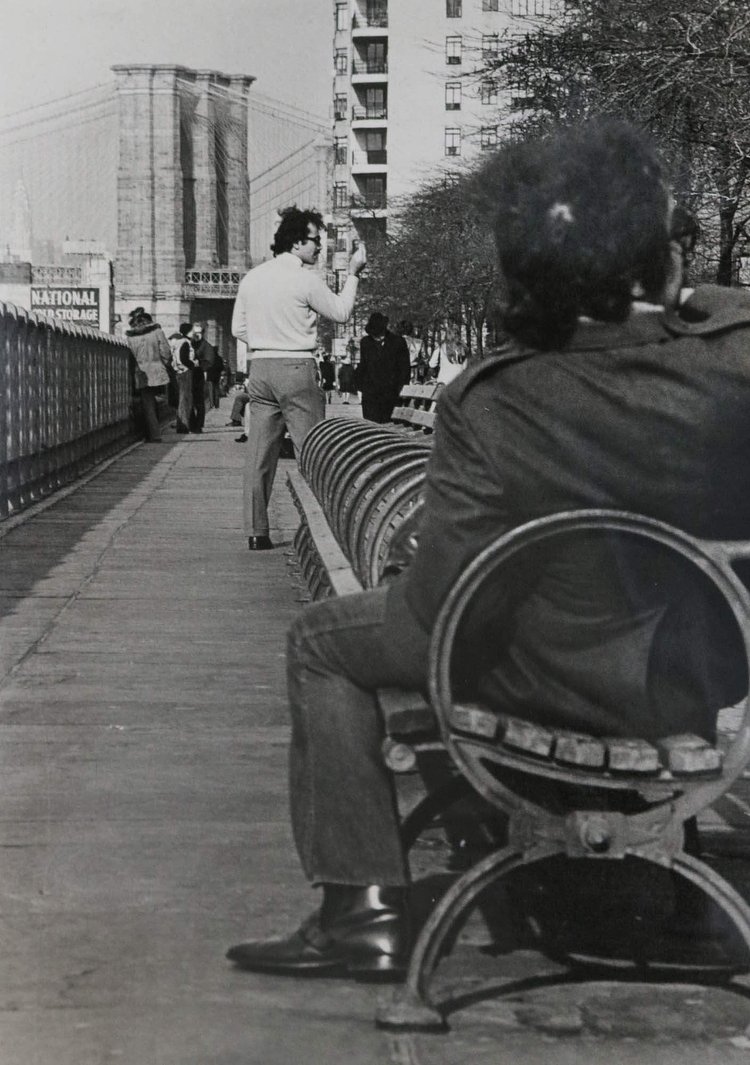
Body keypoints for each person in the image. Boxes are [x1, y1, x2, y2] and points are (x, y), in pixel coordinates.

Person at [225, 119, 750, 979]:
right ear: (663, 259)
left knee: (322, 641)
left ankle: (361, 911)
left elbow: (440, 615)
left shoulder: (500, 396)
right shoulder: (732, 364)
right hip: (700, 674)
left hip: (552, 681)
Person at [231, 205, 367, 551]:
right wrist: (353, 273)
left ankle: (256, 531)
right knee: (313, 452)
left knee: (260, 454)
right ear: (295, 243)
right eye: (314, 241)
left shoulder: (252, 278)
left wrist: (267, 340)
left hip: (260, 368)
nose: (319, 247)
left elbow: (237, 329)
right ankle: (321, 528)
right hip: (297, 367)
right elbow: (340, 312)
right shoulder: (305, 280)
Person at [356, 312, 411, 423]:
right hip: (370, 394)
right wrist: (359, 385)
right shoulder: (365, 342)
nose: (376, 337)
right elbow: (363, 365)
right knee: (371, 426)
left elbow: (404, 368)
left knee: (388, 426)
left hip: (391, 393)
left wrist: (402, 387)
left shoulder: (398, 342)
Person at [125, 308, 171, 442]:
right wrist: (165, 364)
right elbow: (166, 352)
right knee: (156, 401)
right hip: (157, 371)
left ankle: (152, 433)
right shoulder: (157, 332)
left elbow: (130, 357)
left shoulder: (130, 337)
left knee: (147, 403)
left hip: (141, 373)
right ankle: (155, 434)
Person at [168, 329, 195, 434]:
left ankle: (181, 425)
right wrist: (193, 364)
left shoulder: (175, 346)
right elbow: (184, 359)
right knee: (185, 400)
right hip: (185, 372)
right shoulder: (185, 343)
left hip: (177, 372)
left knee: (181, 399)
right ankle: (184, 426)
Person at [191, 324, 223, 412]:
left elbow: (209, 362)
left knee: (200, 399)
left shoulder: (206, 346)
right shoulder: (191, 343)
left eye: (199, 332)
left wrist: (199, 364)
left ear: (202, 333)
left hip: (200, 374)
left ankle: (198, 421)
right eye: (195, 333)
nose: (196, 335)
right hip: (191, 374)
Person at [428, 321, 468, 386]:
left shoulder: (441, 347)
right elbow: (464, 367)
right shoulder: (463, 348)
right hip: (459, 382)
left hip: (443, 382)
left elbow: (431, 364)